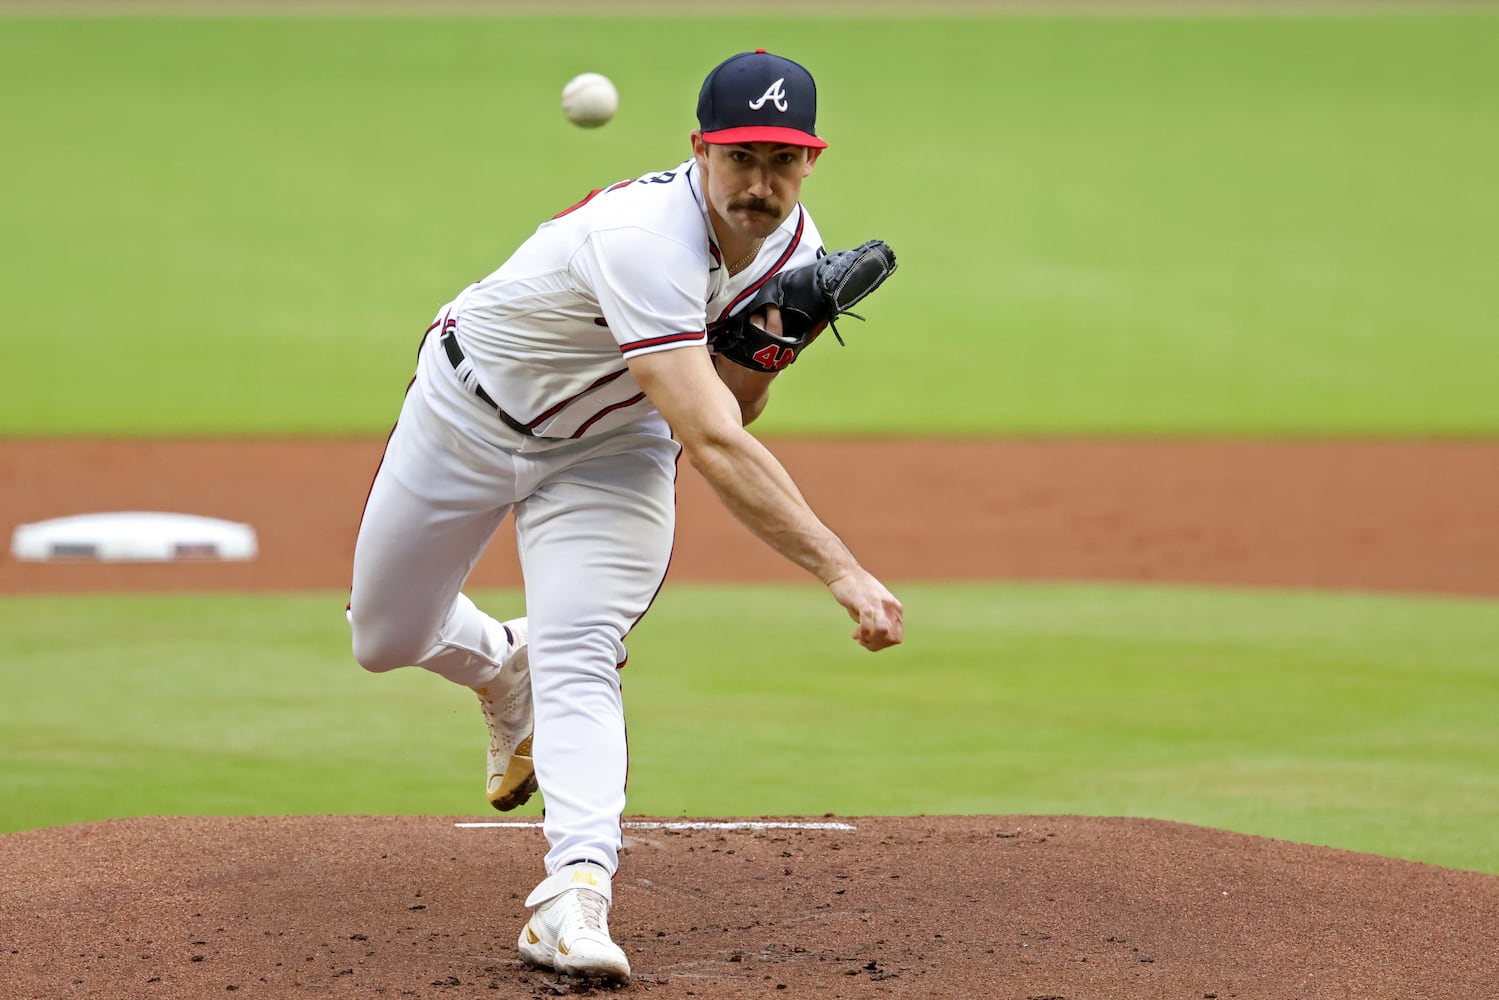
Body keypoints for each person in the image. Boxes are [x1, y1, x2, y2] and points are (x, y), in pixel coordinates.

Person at [347, 49, 903, 982]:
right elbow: (712, 440)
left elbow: (726, 407)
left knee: (581, 646)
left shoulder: (796, 252)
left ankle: (573, 895)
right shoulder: (645, 237)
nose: (759, 183)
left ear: (811, 160)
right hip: (464, 416)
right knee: (384, 637)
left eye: (782, 159)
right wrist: (841, 569)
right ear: (700, 149)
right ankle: (502, 664)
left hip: (611, 452)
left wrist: (770, 350)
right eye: (740, 156)